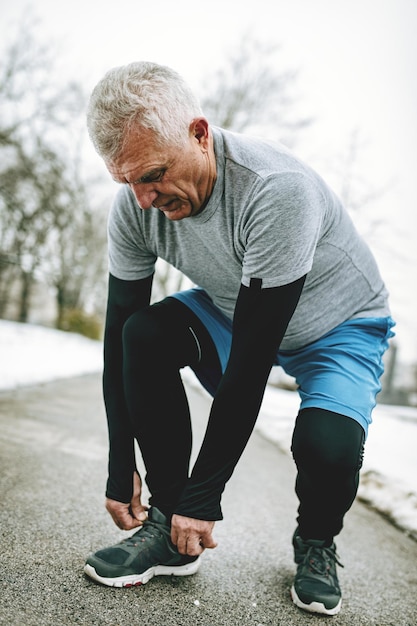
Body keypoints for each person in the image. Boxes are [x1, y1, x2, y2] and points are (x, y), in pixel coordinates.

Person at [84, 61, 394, 616]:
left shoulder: (276, 190)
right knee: (145, 335)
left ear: (199, 134)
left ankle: (316, 542)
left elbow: (251, 365)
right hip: (236, 305)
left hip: (339, 326)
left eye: (152, 174)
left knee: (327, 447)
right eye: (126, 181)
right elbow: (117, 340)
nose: (144, 200)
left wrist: (206, 498)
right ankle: (165, 528)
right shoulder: (136, 207)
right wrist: (117, 464)